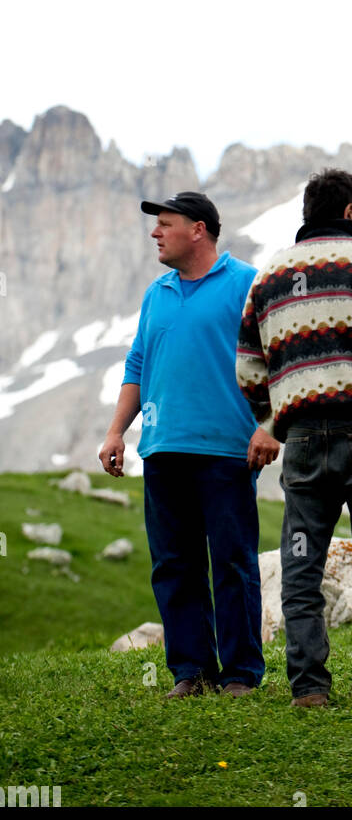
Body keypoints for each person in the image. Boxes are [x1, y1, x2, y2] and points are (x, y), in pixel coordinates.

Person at [236, 168, 352, 710]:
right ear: (350, 212)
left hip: (305, 442)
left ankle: (310, 689)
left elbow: (249, 365)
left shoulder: (271, 274)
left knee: (301, 562)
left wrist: (274, 417)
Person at [99, 191, 279, 699]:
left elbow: (277, 359)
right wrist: (116, 432)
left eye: (166, 224)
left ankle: (241, 674)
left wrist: (268, 426)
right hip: (162, 450)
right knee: (174, 566)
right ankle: (191, 672)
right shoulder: (156, 293)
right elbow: (137, 365)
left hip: (227, 451)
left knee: (232, 561)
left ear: (198, 229)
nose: (155, 233)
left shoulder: (247, 284)